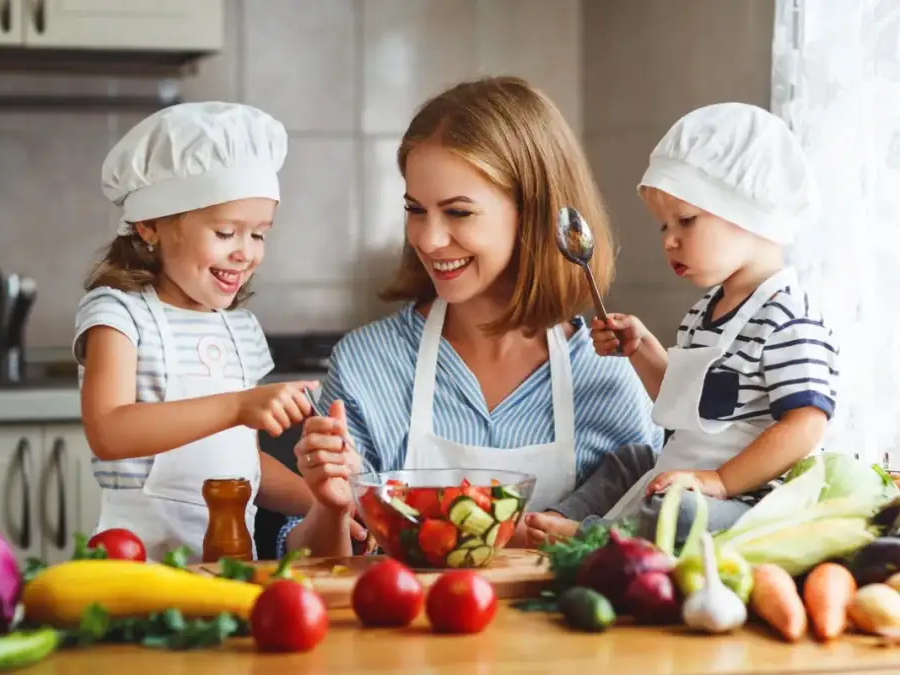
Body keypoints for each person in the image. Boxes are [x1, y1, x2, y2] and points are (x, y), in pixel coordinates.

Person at [278, 76, 667, 558]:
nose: (428, 238)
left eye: (458, 212)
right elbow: (310, 567)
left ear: (534, 212)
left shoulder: (611, 374)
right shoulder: (367, 364)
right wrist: (331, 510)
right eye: (416, 210)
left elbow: (649, 551)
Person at [525, 102, 840, 544]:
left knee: (681, 511)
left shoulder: (789, 317)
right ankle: (550, 522)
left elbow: (806, 424)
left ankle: (588, 537)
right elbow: (685, 404)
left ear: (749, 212)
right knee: (632, 460)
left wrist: (721, 481)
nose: (669, 240)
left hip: (747, 501)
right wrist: (642, 349)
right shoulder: (705, 311)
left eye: (686, 221)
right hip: (692, 474)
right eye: (663, 227)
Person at [74, 101, 330, 563]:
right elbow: (109, 431)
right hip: (137, 571)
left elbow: (246, 466)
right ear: (150, 225)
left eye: (258, 235)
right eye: (227, 232)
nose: (245, 254)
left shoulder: (240, 329)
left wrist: (326, 503)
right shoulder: (119, 315)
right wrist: (237, 406)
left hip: (230, 570)